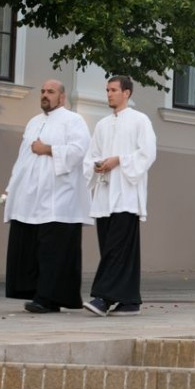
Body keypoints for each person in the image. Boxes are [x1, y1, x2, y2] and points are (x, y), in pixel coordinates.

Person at [4, 79, 92, 313]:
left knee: (53, 251)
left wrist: (49, 149)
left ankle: (48, 298)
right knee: (32, 247)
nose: (45, 95)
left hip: (59, 198)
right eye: (43, 91)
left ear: (62, 97)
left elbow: (79, 150)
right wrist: (12, 186)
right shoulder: (33, 122)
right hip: (31, 197)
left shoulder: (73, 120)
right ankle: (36, 293)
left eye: (50, 92)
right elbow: (23, 158)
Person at [82, 75, 157, 317]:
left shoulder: (140, 120)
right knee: (112, 248)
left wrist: (119, 160)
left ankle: (102, 298)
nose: (109, 94)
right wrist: (97, 165)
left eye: (113, 90)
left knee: (116, 248)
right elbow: (91, 155)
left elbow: (147, 153)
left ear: (127, 93)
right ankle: (129, 301)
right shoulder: (102, 125)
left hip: (126, 194)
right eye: (107, 90)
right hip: (105, 193)